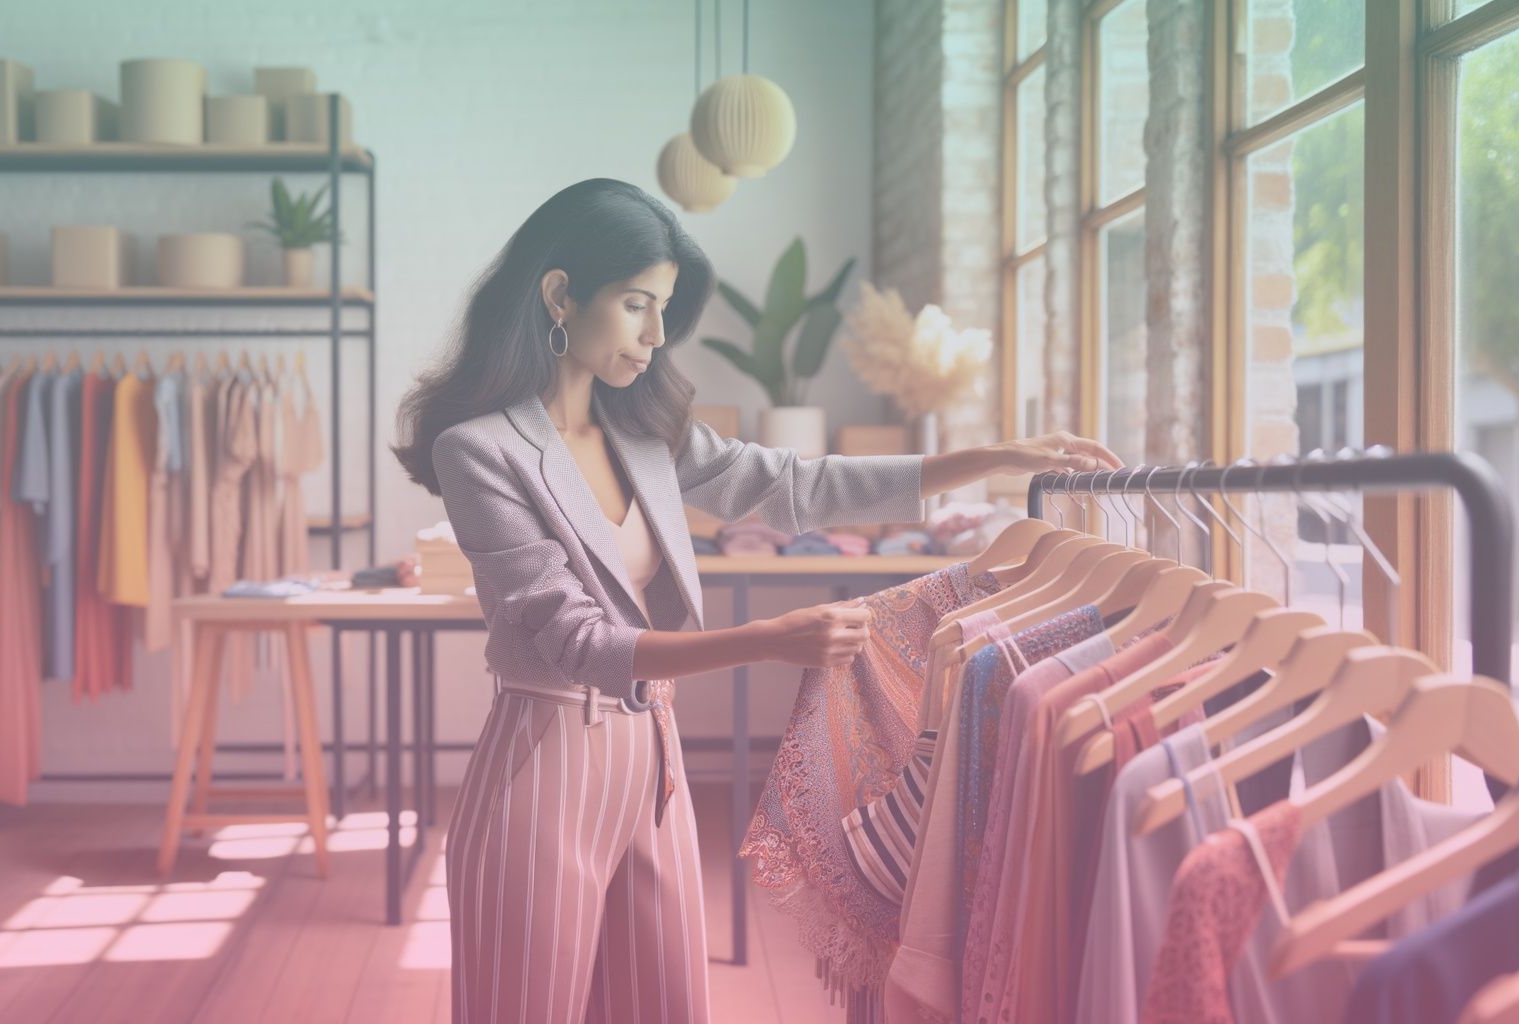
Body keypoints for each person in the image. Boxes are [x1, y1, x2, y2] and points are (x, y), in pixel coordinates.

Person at [392, 178, 1121, 1024]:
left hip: (651, 765)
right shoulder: (479, 451)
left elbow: (794, 486)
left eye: (663, 309)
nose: (657, 335)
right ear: (560, 293)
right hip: (544, 759)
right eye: (637, 305)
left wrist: (985, 459)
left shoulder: (646, 434)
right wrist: (767, 638)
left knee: (663, 1005)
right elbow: (575, 638)